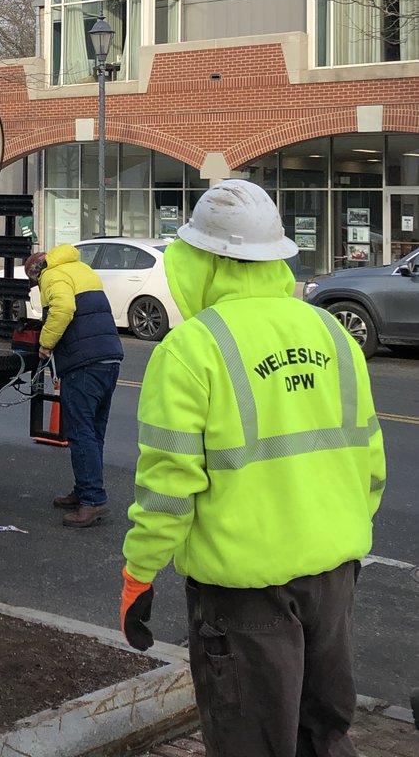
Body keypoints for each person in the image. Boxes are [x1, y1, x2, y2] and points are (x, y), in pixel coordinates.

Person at [120, 180, 386, 757]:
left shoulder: (191, 349)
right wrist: (331, 533)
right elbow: (371, 464)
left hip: (244, 597)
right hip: (334, 578)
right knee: (324, 735)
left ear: (204, 260)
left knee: (252, 743)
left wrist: (139, 573)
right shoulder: (333, 334)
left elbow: (168, 489)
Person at [26, 245, 124, 528]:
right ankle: (84, 490)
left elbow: (64, 308)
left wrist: (45, 344)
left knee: (80, 433)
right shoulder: (82, 269)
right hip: (109, 358)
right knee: (93, 433)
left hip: (84, 364)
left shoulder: (52, 276)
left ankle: (92, 500)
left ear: (36, 273)